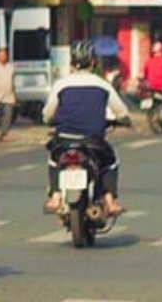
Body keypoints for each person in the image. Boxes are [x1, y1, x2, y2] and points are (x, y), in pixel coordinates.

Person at [42, 36, 130, 217]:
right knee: (110, 163)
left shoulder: (61, 84)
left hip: (64, 140)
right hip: (93, 141)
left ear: (72, 63)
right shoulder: (102, 84)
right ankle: (110, 200)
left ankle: (56, 196)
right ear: (93, 62)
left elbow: (47, 113)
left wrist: (50, 121)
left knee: (54, 160)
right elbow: (122, 112)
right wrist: (122, 120)